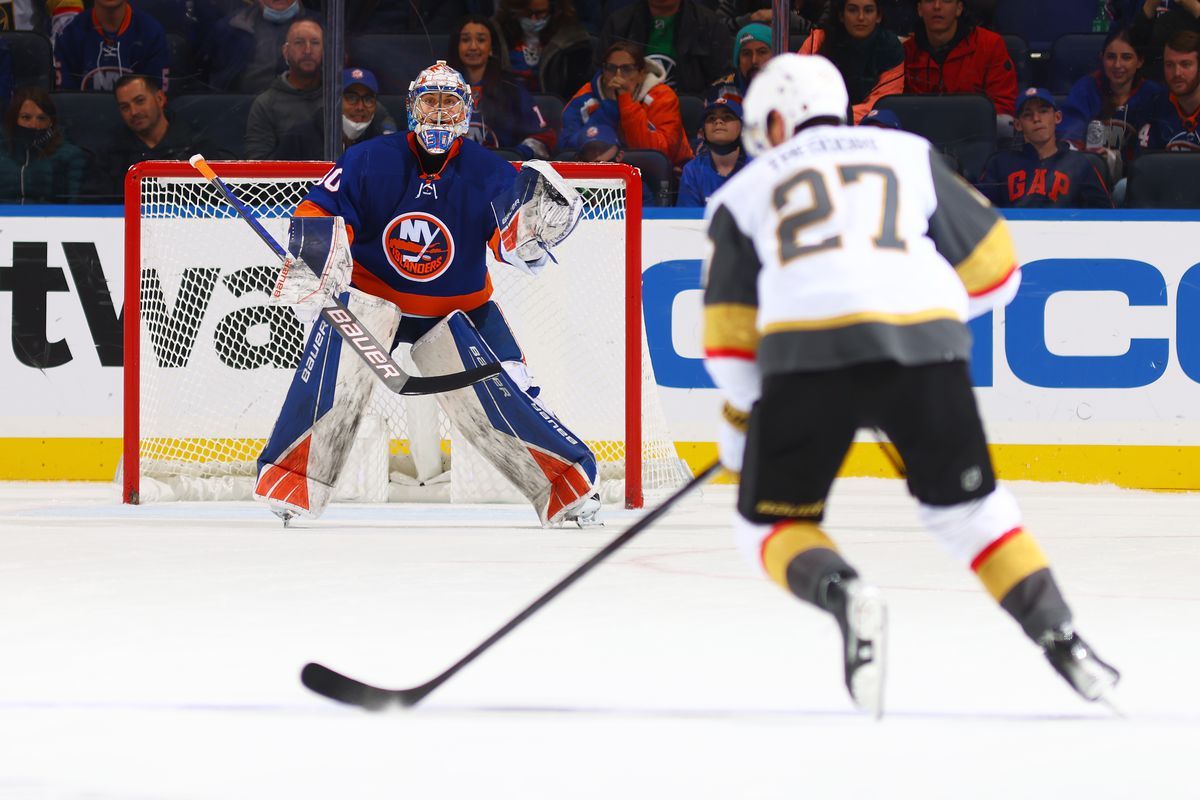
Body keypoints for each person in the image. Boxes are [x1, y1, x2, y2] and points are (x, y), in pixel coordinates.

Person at [701, 53, 1120, 716]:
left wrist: (741, 423)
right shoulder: (908, 153)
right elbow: (998, 270)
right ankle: (1062, 637)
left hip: (807, 355)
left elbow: (728, 344)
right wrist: (916, 309)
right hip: (926, 345)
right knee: (973, 516)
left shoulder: (740, 194)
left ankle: (844, 592)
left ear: (778, 120)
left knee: (768, 527)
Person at [254, 60, 603, 528]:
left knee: (512, 394)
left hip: (460, 311)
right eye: (430, 102)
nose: (439, 113)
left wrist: (537, 233)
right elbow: (318, 206)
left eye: (449, 102)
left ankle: (566, 489)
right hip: (373, 303)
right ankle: (290, 481)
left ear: (465, 110)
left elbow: (511, 245)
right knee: (329, 380)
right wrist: (318, 251)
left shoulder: (490, 171)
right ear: (413, 108)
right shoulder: (369, 158)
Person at [85, 74, 229, 201]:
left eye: (140, 101)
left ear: (160, 99)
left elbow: (216, 200)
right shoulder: (109, 153)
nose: (133, 112)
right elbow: (97, 205)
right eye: (125, 107)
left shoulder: (196, 147)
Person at [562, 41, 694, 166]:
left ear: (641, 74)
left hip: (657, 172)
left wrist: (625, 101)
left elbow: (656, 154)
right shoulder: (585, 96)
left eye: (627, 69)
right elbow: (564, 146)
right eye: (611, 68)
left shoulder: (662, 97)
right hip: (597, 169)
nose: (618, 75)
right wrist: (611, 105)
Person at [977, 88, 1113, 208]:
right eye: (1027, 114)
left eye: (1043, 111)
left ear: (1057, 117)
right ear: (1018, 125)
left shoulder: (1080, 163)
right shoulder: (999, 163)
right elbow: (979, 213)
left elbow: (1104, 215)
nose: (1036, 119)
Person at [448, 14, 556, 158]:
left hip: (502, 171)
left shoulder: (512, 88)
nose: (473, 46)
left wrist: (515, 156)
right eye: (466, 40)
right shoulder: (442, 88)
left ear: (491, 47)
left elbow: (544, 136)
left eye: (481, 40)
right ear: (457, 46)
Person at [1059, 26, 1164, 168]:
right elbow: (1070, 137)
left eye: (1126, 57)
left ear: (1140, 61)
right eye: (1111, 57)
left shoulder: (1154, 94)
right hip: (1090, 173)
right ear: (1102, 58)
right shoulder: (1086, 89)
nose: (1117, 65)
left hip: (1139, 178)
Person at [903, 0, 1016, 119]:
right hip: (920, 133)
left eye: (946, 1)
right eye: (929, 1)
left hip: (975, 133)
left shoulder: (990, 45)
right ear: (919, 9)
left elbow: (1004, 107)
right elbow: (895, 110)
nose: (937, 6)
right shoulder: (905, 52)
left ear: (959, 8)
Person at [797, 0, 903, 123]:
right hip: (818, 124)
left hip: (869, 126)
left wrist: (837, 118)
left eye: (868, 10)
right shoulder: (818, 41)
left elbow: (882, 103)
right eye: (852, 10)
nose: (861, 17)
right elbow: (797, 90)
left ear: (878, 16)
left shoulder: (891, 47)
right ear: (841, 15)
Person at [600, 0, 733, 95]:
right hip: (629, 109)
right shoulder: (618, 24)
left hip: (688, 117)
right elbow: (599, 76)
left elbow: (723, 80)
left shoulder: (710, 24)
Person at [267, 67, 399, 160]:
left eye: (368, 99)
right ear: (335, 100)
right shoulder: (299, 138)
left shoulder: (383, 141)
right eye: (351, 98)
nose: (360, 107)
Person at [198, 0, 322, 93]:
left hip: (303, 114)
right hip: (237, 112)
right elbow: (204, 81)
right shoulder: (228, 28)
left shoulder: (325, 28)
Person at [244, 17, 323, 160]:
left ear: (324, 51)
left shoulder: (338, 98)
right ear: (286, 51)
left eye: (315, 43)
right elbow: (257, 166)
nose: (308, 50)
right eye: (299, 43)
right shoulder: (266, 104)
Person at [54, 0, 168, 92]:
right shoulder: (69, 34)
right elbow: (66, 103)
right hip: (85, 118)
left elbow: (157, 101)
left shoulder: (151, 33)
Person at [0, 86, 87, 203]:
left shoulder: (70, 156)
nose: (33, 125)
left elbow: (76, 207)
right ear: (14, 119)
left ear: (51, 122)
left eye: (41, 118)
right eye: (26, 117)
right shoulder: (3, 153)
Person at [492, 0, 592, 98]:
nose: (533, 19)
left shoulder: (573, 42)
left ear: (554, 10)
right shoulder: (494, 34)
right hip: (506, 106)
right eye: (527, 12)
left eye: (540, 13)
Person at [676, 95, 747, 206]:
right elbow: (687, 221)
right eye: (711, 118)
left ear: (742, 127)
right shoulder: (692, 171)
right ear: (703, 131)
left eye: (727, 117)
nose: (718, 122)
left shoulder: (758, 168)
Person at [1139, 29, 1200, 150]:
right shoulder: (1153, 107)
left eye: (1185, 64)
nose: (1177, 73)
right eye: (1169, 65)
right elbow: (1144, 166)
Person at [575, 121, 656, 206]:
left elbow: (649, 216)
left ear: (619, 156)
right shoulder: (570, 188)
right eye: (590, 150)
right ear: (579, 158)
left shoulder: (633, 186)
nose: (596, 155)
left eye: (602, 149)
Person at [707, 22, 773, 103]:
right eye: (746, 53)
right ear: (737, 59)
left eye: (762, 52)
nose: (754, 60)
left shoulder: (790, 87)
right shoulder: (722, 89)